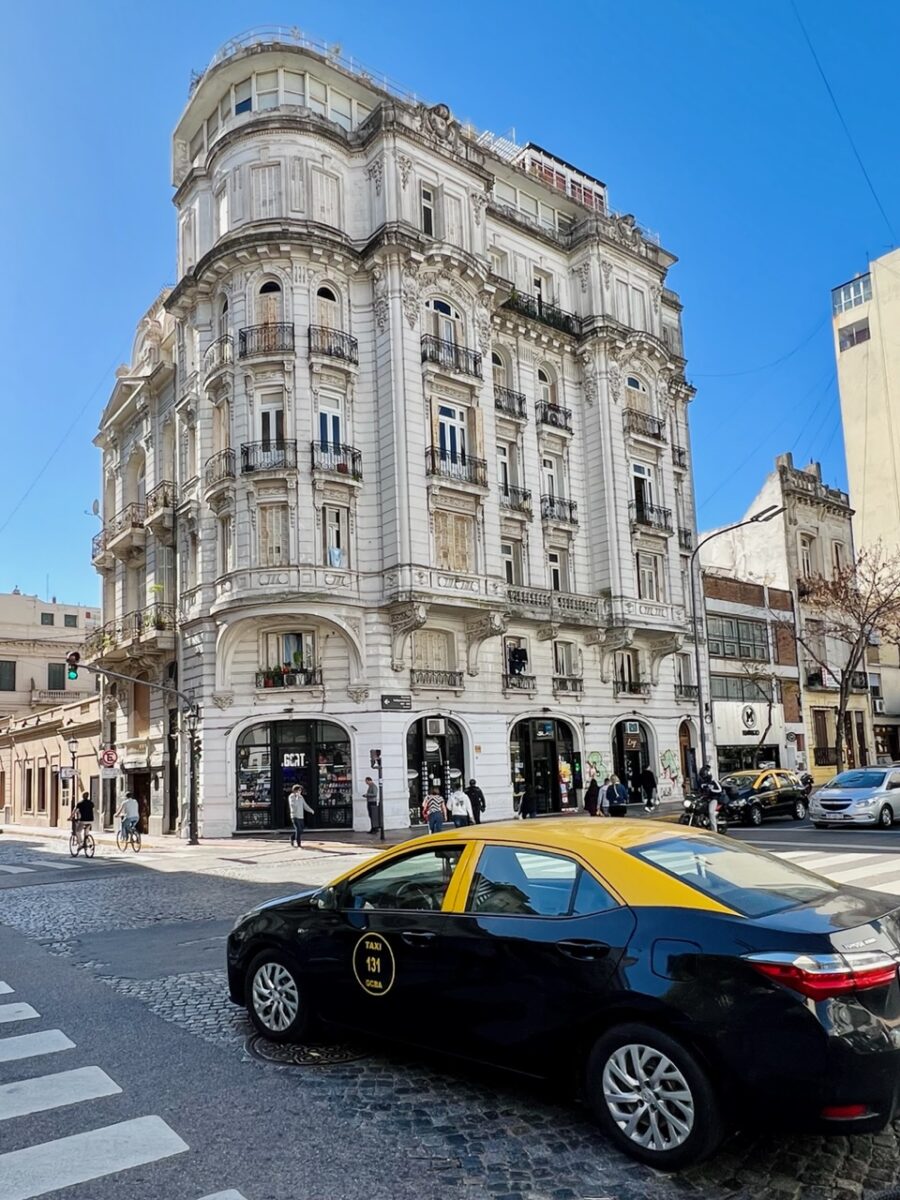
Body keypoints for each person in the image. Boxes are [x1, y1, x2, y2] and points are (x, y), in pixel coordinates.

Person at [697, 764, 723, 833]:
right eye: (702, 775)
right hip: (704, 800)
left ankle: (714, 831)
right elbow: (699, 791)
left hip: (713, 799)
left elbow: (720, 790)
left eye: (704, 775)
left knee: (711, 812)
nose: (703, 777)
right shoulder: (701, 783)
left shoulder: (713, 781)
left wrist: (711, 790)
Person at [288, 784, 314, 848]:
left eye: (300, 790)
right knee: (298, 829)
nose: (300, 792)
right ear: (295, 790)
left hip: (301, 816)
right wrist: (296, 797)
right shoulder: (291, 797)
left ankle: (292, 837)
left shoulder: (301, 797)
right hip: (294, 815)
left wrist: (311, 810)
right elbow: (294, 805)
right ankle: (298, 843)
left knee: (301, 829)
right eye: (299, 790)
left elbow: (305, 805)